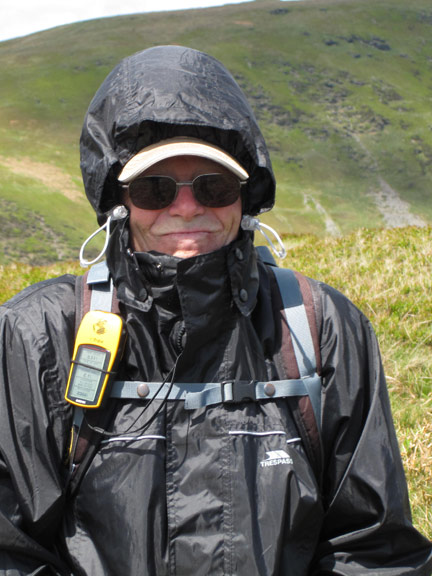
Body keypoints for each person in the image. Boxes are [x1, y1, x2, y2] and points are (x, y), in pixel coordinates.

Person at [0, 45, 431, 576]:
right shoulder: (38, 333)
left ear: (244, 196)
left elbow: (373, 549)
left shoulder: (325, 329)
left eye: (214, 185)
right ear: (118, 199)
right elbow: (11, 548)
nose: (187, 206)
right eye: (154, 188)